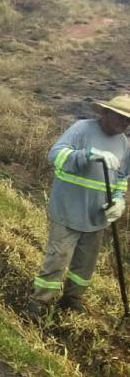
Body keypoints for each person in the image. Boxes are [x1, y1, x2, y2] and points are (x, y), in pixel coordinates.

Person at [27, 96, 130, 318]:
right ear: (107, 113)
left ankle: (72, 298)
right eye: (121, 118)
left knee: (85, 264)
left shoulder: (124, 144)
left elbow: (122, 177)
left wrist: (119, 200)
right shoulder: (82, 129)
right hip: (68, 209)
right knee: (58, 257)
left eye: (128, 121)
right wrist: (88, 154)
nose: (124, 124)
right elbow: (55, 155)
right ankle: (39, 302)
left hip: (96, 216)